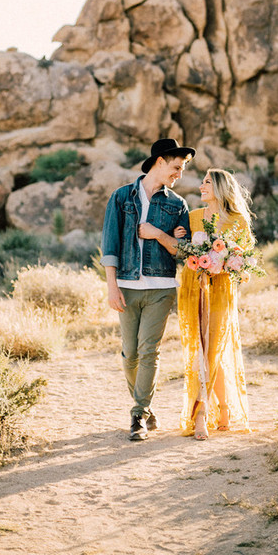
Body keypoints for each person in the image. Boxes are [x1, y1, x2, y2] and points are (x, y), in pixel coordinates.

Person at [101, 138, 195, 441]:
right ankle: (147, 408)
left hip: (161, 288)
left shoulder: (177, 204)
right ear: (159, 161)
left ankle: (138, 414)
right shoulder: (121, 197)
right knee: (129, 355)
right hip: (127, 288)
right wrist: (111, 286)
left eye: (182, 169)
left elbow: (184, 253)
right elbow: (110, 243)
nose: (179, 174)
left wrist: (158, 234)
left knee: (148, 351)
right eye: (176, 167)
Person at [177, 168, 254, 440]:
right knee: (199, 350)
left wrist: (226, 265)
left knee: (215, 350)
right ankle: (210, 410)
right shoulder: (193, 217)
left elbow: (244, 262)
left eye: (207, 182)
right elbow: (183, 249)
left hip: (222, 292)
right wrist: (180, 238)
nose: (201, 186)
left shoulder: (237, 221)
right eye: (202, 182)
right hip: (193, 288)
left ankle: (208, 411)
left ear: (220, 187)